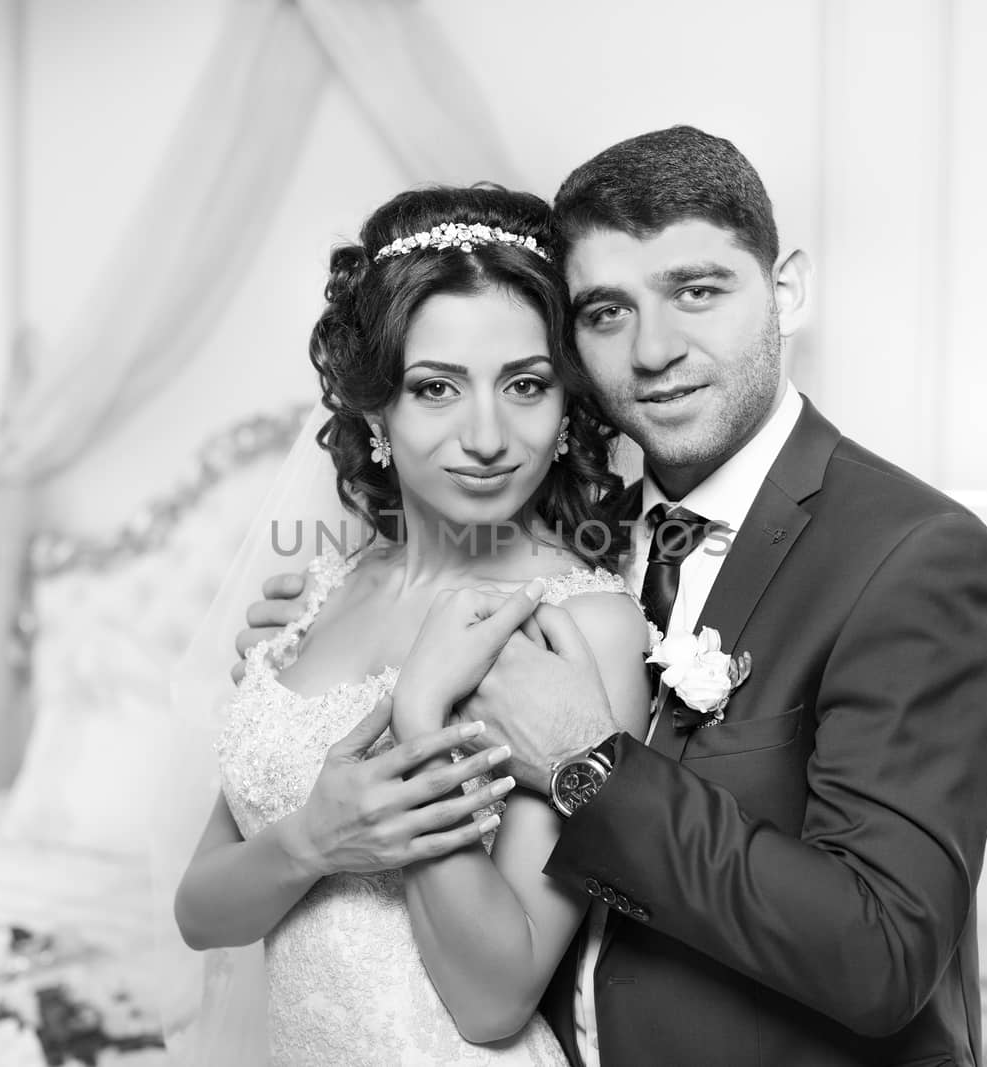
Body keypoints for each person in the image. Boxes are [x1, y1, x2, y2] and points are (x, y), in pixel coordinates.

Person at [237, 126, 987, 1065]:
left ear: (787, 290)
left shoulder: (914, 557)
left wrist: (586, 760)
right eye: (606, 311)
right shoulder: (578, 530)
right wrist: (317, 634)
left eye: (697, 290)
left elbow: (882, 954)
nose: (654, 349)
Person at [174, 183, 653, 1065]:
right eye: (437, 387)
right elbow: (200, 911)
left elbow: (494, 998)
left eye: (526, 384)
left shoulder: (582, 628)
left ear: (565, 408)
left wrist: (421, 718)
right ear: (376, 412)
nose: (486, 434)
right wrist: (315, 840)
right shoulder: (319, 590)